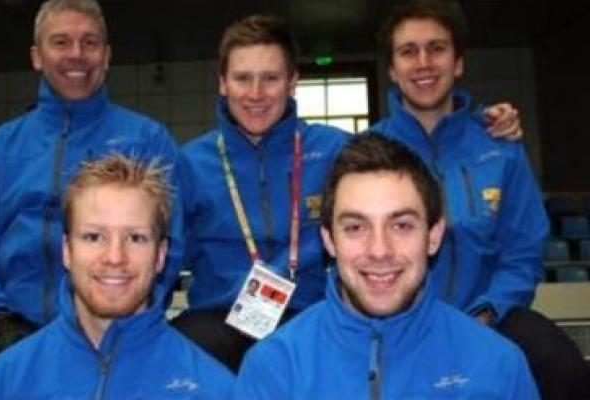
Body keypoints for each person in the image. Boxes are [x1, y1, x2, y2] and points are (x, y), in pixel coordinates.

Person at [175, 13, 525, 372]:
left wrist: (479, 123)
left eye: (271, 78)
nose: (256, 94)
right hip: (219, 318)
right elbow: (165, 252)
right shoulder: (190, 163)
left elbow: (417, 146)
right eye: (243, 78)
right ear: (222, 83)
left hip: (314, 314)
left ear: (292, 82)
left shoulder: (336, 149)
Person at [371, 0, 590, 398]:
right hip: (398, 322)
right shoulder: (369, 151)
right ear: (392, 70)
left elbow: (522, 251)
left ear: (458, 63)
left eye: (437, 48)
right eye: (408, 51)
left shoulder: (500, 147)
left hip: (491, 315)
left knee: (565, 370)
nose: (423, 62)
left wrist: (487, 312)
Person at [234, 134, 539, 399]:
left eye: (401, 225)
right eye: (355, 227)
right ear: (329, 241)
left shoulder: (498, 365)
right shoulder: (273, 368)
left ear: (433, 236)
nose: (379, 250)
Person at [0, 0, 185, 357]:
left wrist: (133, 320)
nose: (77, 54)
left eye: (90, 42)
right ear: (37, 56)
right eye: (61, 42)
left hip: (119, 338)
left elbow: (170, 242)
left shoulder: (148, 141)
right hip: (13, 337)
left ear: (107, 56)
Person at [0, 154, 234, 400]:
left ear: (160, 255)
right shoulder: (3, 382)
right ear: (67, 251)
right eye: (94, 237)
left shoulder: (215, 390)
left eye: (135, 238)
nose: (115, 257)